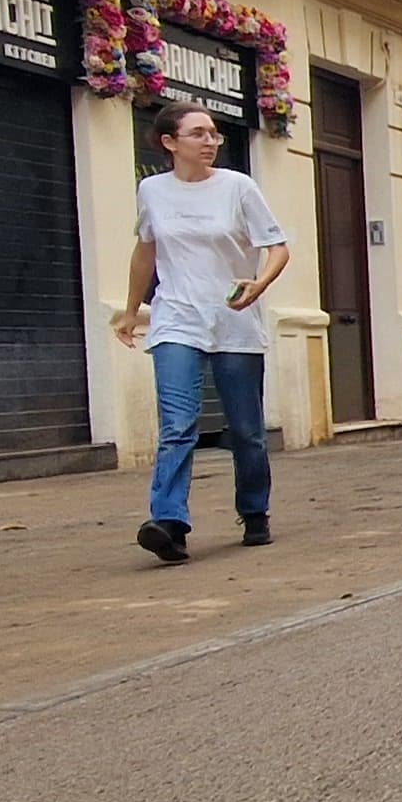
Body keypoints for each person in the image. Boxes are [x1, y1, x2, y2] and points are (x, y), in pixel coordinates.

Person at [117, 103, 290, 564]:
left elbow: (277, 247)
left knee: (247, 430)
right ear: (170, 143)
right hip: (176, 317)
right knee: (177, 426)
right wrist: (131, 311)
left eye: (213, 134)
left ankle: (255, 512)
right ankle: (169, 523)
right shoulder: (152, 190)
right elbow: (146, 251)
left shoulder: (238, 187)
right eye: (198, 134)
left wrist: (261, 282)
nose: (210, 142)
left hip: (234, 319)